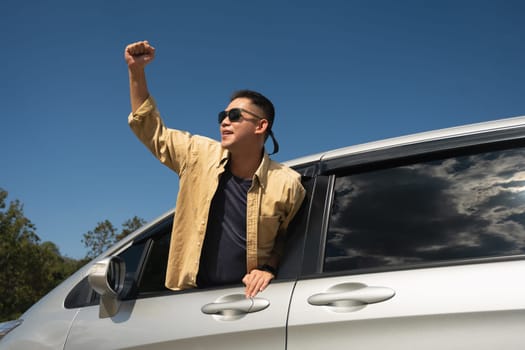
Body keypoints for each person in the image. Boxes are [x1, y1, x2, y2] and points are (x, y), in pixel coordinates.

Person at [125, 40, 305, 297]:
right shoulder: (197, 154)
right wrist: (136, 71)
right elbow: (150, 129)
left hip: (250, 303)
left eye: (234, 117)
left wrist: (268, 268)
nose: (224, 122)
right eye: (223, 116)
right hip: (190, 299)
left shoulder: (287, 183)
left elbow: (290, 240)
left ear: (261, 126)